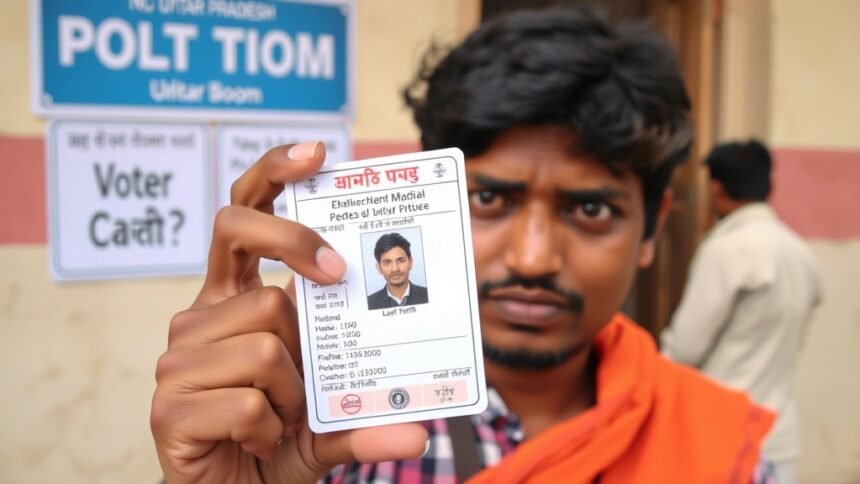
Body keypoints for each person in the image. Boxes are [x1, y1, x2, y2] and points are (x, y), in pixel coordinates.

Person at [151, 7, 777, 483]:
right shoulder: (324, 433)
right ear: (429, 201)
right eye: (488, 200)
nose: (533, 258)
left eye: (591, 209)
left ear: (652, 226)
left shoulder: (725, 449)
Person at [661, 140, 821, 484]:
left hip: (727, 434)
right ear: (769, 186)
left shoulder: (725, 250)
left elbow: (685, 349)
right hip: (779, 434)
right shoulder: (800, 253)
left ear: (716, 188)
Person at [366, 232, 429, 310]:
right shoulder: (369, 303)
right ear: (379, 268)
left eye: (401, 261)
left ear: (411, 262)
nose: (395, 269)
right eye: (387, 262)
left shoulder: (428, 295)